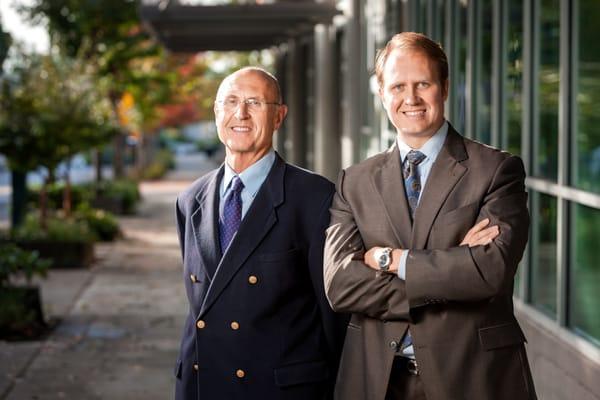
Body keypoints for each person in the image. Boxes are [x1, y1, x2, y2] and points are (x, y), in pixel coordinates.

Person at [323, 32, 537, 400]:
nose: (411, 99)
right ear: (381, 94)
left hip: (472, 378)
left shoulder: (496, 169)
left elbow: (488, 273)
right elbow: (340, 286)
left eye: (423, 83)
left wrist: (390, 259)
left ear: (445, 87)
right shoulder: (353, 181)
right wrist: (450, 271)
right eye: (398, 86)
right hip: (377, 381)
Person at [173, 67, 346, 400]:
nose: (241, 113)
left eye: (255, 102)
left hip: (278, 389)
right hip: (201, 384)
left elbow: (333, 316)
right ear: (216, 111)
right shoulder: (189, 200)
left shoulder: (314, 197)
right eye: (231, 101)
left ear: (279, 116)